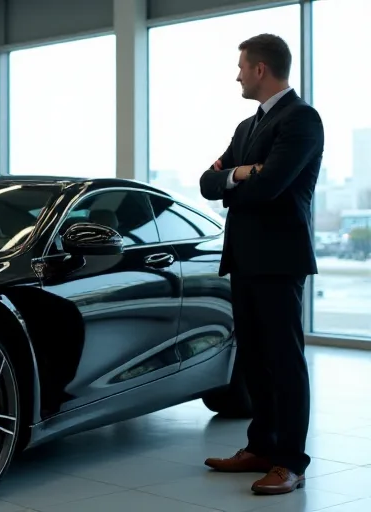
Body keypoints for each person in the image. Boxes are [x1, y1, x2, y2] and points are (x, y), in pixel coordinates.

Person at [198, 34, 323, 496]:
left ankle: (290, 462)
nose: (237, 76)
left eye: (241, 67)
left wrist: (238, 180)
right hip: (245, 259)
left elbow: (271, 188)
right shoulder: (246, 127)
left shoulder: (302, 119)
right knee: (254, 360)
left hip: (279, 260)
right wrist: (244, 173)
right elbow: (207, 183)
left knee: (284, 362)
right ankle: (261, 447)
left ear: (260, 69)